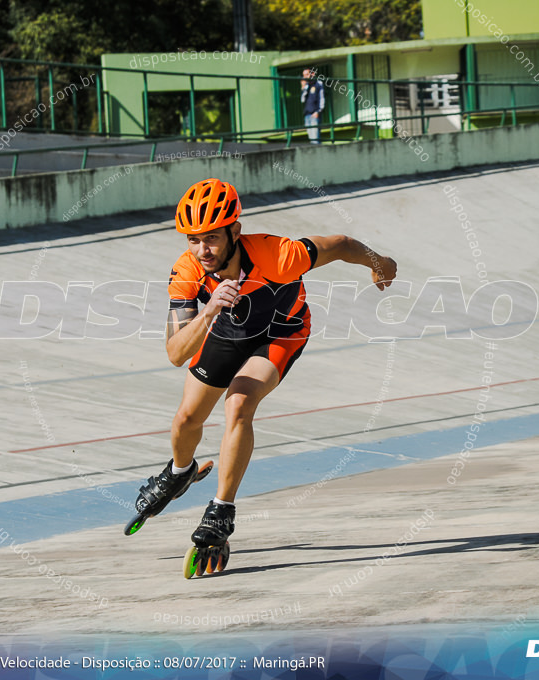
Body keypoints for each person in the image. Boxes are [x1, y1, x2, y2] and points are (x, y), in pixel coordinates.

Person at [130, 178, 397, 566]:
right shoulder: (187, 270)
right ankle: (179, 471)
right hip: (226, 330)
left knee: (238, 404)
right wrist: (207, 312)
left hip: (281, 332)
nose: (202, 250)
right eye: (192, 240)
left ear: (235, 231)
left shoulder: (279, 255)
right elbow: (174, 352)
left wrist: (380, 263)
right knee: (187, 418)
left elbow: (340, 244)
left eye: (212, 238)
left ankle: (222, 509)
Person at [300, 68, 325, 144]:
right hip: (307, 115)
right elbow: (302, 100)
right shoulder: (306, 86)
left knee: (315, 138)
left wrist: (318, 111)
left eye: (307, 74)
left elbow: (322, 99)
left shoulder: (318, 84)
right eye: (304, 75)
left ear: (312, 74)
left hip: (315, 114)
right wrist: (303, 88)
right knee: (311, 138)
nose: (305, 77)